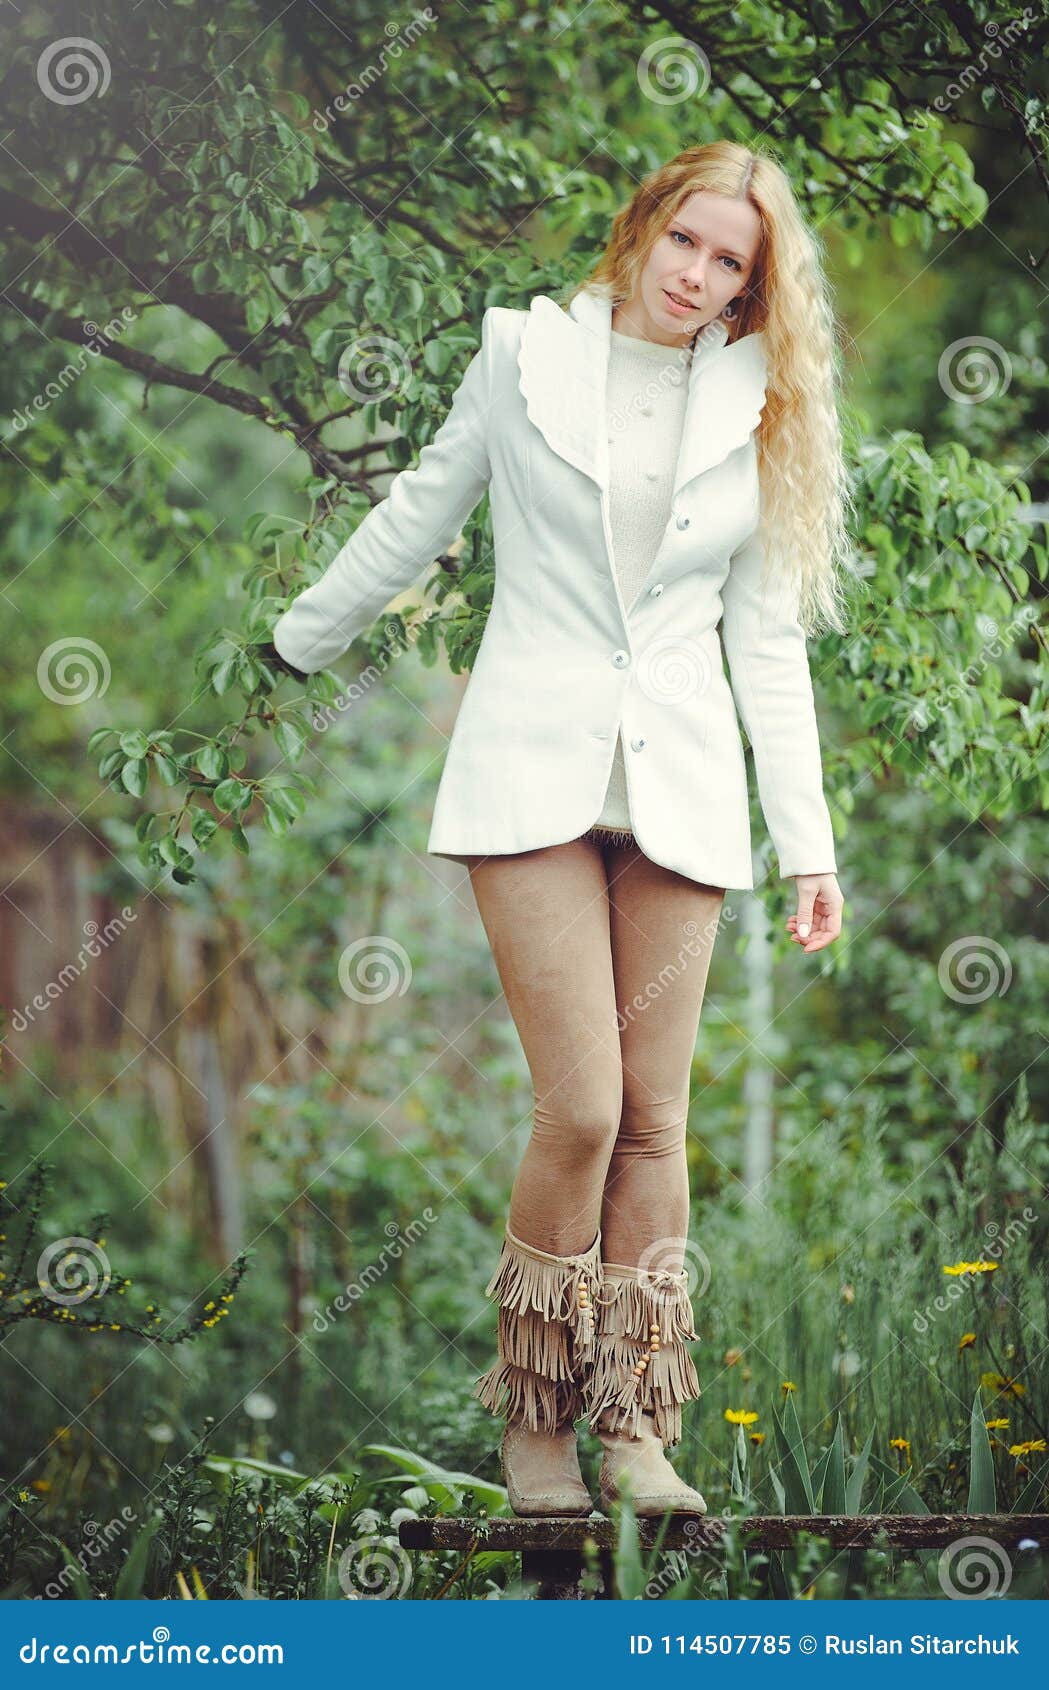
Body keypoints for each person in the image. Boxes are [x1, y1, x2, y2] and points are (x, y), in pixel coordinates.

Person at [267, 140, 849, 1518]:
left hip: (682, 789)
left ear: (751, 291)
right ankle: (535, 1422)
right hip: (530, 772)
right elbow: (421, 509)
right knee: (580, 1107)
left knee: (656, 1121)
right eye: (684, 243)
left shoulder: (760, 398)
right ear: (642, 227)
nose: (697, 278)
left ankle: (636, 1431)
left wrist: (807, 843)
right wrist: (300, 640)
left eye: (730, 266)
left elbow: (763, 639)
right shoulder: (521, 354)